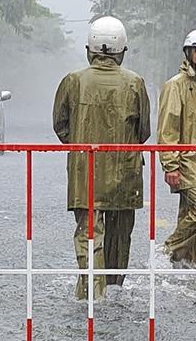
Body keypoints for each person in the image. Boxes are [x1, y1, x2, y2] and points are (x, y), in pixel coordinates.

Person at [53, 16, 151, 300]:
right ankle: (113, 291)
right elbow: (143, 130)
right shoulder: (135, 83)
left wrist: (83, 145)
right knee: (119, 238)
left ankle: (93, 294)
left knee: (88, 235)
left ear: (89, 49)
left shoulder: (73, 81)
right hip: (125, 173)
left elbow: (61, 126)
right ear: (122, 50)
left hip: (86, 171)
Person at [157, 28, 196, 268]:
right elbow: (168, 128)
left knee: (189, 216)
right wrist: (170, 165)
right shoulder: (176, 85)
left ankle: (188, 265)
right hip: (187, 163)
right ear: (190, 53)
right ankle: (166, 253)